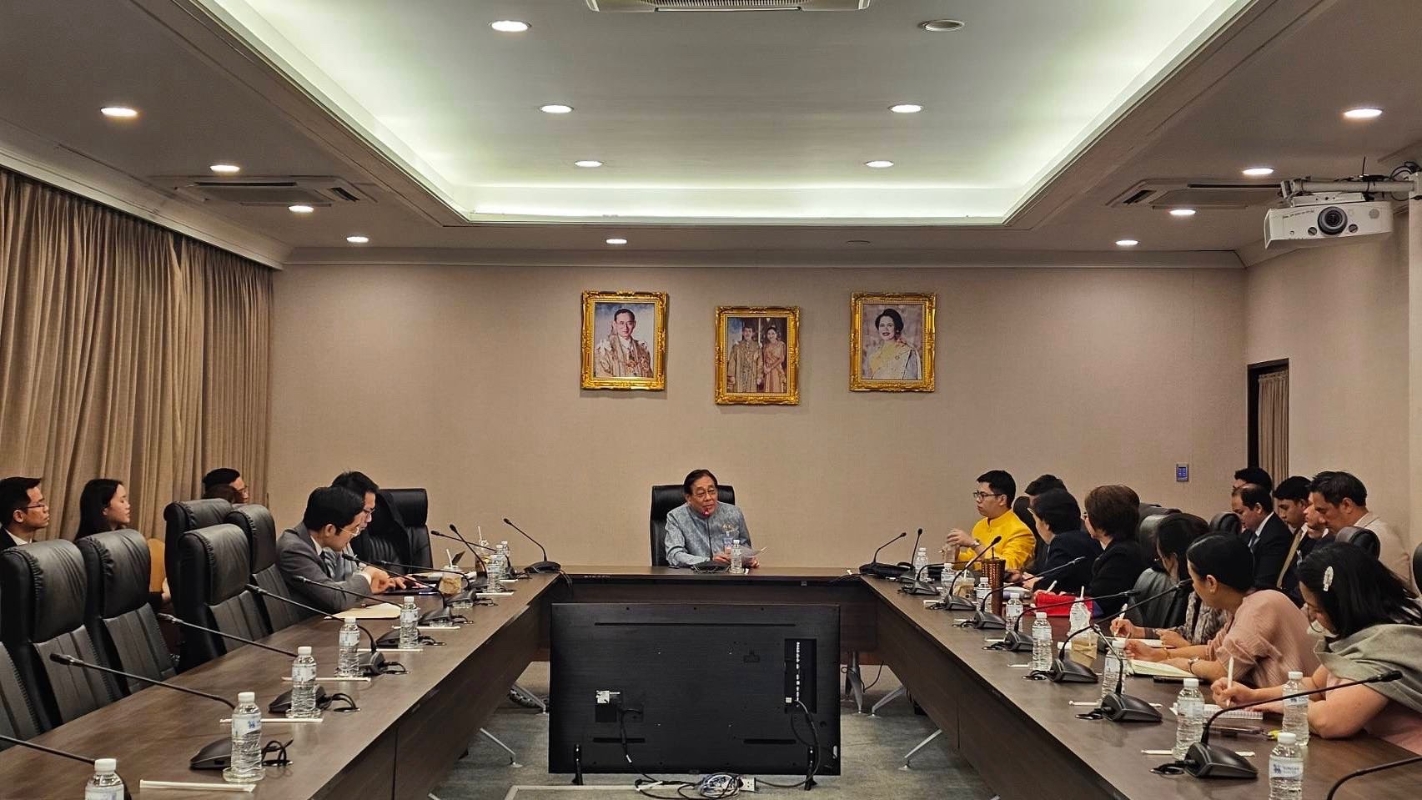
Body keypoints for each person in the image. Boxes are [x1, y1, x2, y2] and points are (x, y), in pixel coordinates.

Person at [1212, 543, 1422, 754]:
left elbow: (1331, 721)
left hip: (1403, 762)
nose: (1311, 617)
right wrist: (1254, 696)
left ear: (1343, 605)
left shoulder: (1390, 642)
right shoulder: (1357, 631)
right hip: (1367, 751)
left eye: (1317, 609)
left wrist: (1283, 705)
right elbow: (1316, 686)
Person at [1126, 534, 1317, 686]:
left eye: (1194, 579)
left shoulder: (1260, 608)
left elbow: (1223, 671)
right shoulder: (1242, 606)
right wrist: (1159, 655)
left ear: (1211, 583)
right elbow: (1213, 651)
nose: (1192, 586)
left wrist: (1185, 664)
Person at [276, 486, 406, 613]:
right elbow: (336, 599)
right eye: (352, 529)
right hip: (304, 626)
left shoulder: (312, 543)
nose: (355, 534)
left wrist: (370, 586)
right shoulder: (294, 550)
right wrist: (367, 574)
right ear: (329, 529)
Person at [1112, 513, 1226, 645]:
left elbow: (1220, 654)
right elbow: (1186, 633)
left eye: (1162, 558)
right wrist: (1138, 631)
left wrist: (1183, 647)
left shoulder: (1220, 598)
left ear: (1173, 558)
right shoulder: (1193, 590)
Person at [1309, 471, 1412, 590]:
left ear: (1346, 505)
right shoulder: (1354, 536)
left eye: (1323, 511)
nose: (1321, 520)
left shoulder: (1376, 538)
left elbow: (1395, 594)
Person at [1070, 484, 1147, 616]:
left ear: (1099, 519)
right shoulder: (1122, 548)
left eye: (1087, 514)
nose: (1085, 519)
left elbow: (1099, 602)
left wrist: (1058, 600)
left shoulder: (1121, 556)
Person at [944, 470, 1035, 573]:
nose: (978, 500)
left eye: (983, 495)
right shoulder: (981, 525)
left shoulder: (1020, 532)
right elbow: (973, 562)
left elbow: (1008, 566)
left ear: (1002, 499)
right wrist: (955, 555)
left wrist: (974, 544)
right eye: (977, 494)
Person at [664, 469, 756, 569]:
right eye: (701, 494)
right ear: (688, 498)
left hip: (730, 575)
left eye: (712, 492)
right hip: (694, 576)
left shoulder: (734, 513)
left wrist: (748, 560)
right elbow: (674, 555)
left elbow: (745, 547)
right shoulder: (676, 517)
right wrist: (709, 561)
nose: (708, 498)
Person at [1018, 488, 1095, 594]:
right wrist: (1021, 576)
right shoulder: (1081, 539)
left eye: (1036, 520)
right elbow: (1041, 573)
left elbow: (1051, 584)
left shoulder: (1064, 543)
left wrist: (1036, 584)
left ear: (1046, 523)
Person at [1233, 483, 1298, 601]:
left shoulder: (1277, 535)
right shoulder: (1248, 532)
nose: (1238, 518)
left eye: (1241, 512)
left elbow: (1264, 581)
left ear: (1258, 508)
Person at [1273, 475, 1330, 572]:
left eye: (1285, 508)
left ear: (1302, 504)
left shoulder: (1316, 535)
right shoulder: (1297, 532)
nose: (1282, 515)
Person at [594, 307, 653, 378]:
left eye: (629, 323)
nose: (625, 327)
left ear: (634, 324)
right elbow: (602, 377)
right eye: (621, 323)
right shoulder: (604, 349)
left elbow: (649, 377)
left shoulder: (642, 349)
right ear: (614, 324)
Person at [862, 309, 920, 380]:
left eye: (889, 325)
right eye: (882, 325)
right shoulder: (873, 355)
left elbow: (911, 381)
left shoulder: (906, 352)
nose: (885, 329)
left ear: (897, 329)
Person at [0, 476, 49, 550]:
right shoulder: (5, 554)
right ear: (19, 516)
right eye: (39, 505)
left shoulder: (40, 549)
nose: (46, 508)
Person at [726, 321, 761, 393]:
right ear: (742, 333)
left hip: (752, 375)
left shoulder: (757, 346)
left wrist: (759, 376)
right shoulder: (737, 346)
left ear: (753, 333)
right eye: (745, 331)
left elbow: (760, 362)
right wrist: (732, 375)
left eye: (750, 331)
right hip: (739, 374)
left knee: (751, 395)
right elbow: (732, 361)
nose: (747, 333)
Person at [760, 324, 787, 393]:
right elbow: (764, 358)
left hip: (776, 369)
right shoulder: (766, 346)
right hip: (767, 370)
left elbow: (782, 359)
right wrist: (765, 367)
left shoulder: (780, 344)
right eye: (769, 334)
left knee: (776, 387)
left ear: (776, 334)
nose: (771, 335)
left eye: (773, 333)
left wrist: (770, 368)